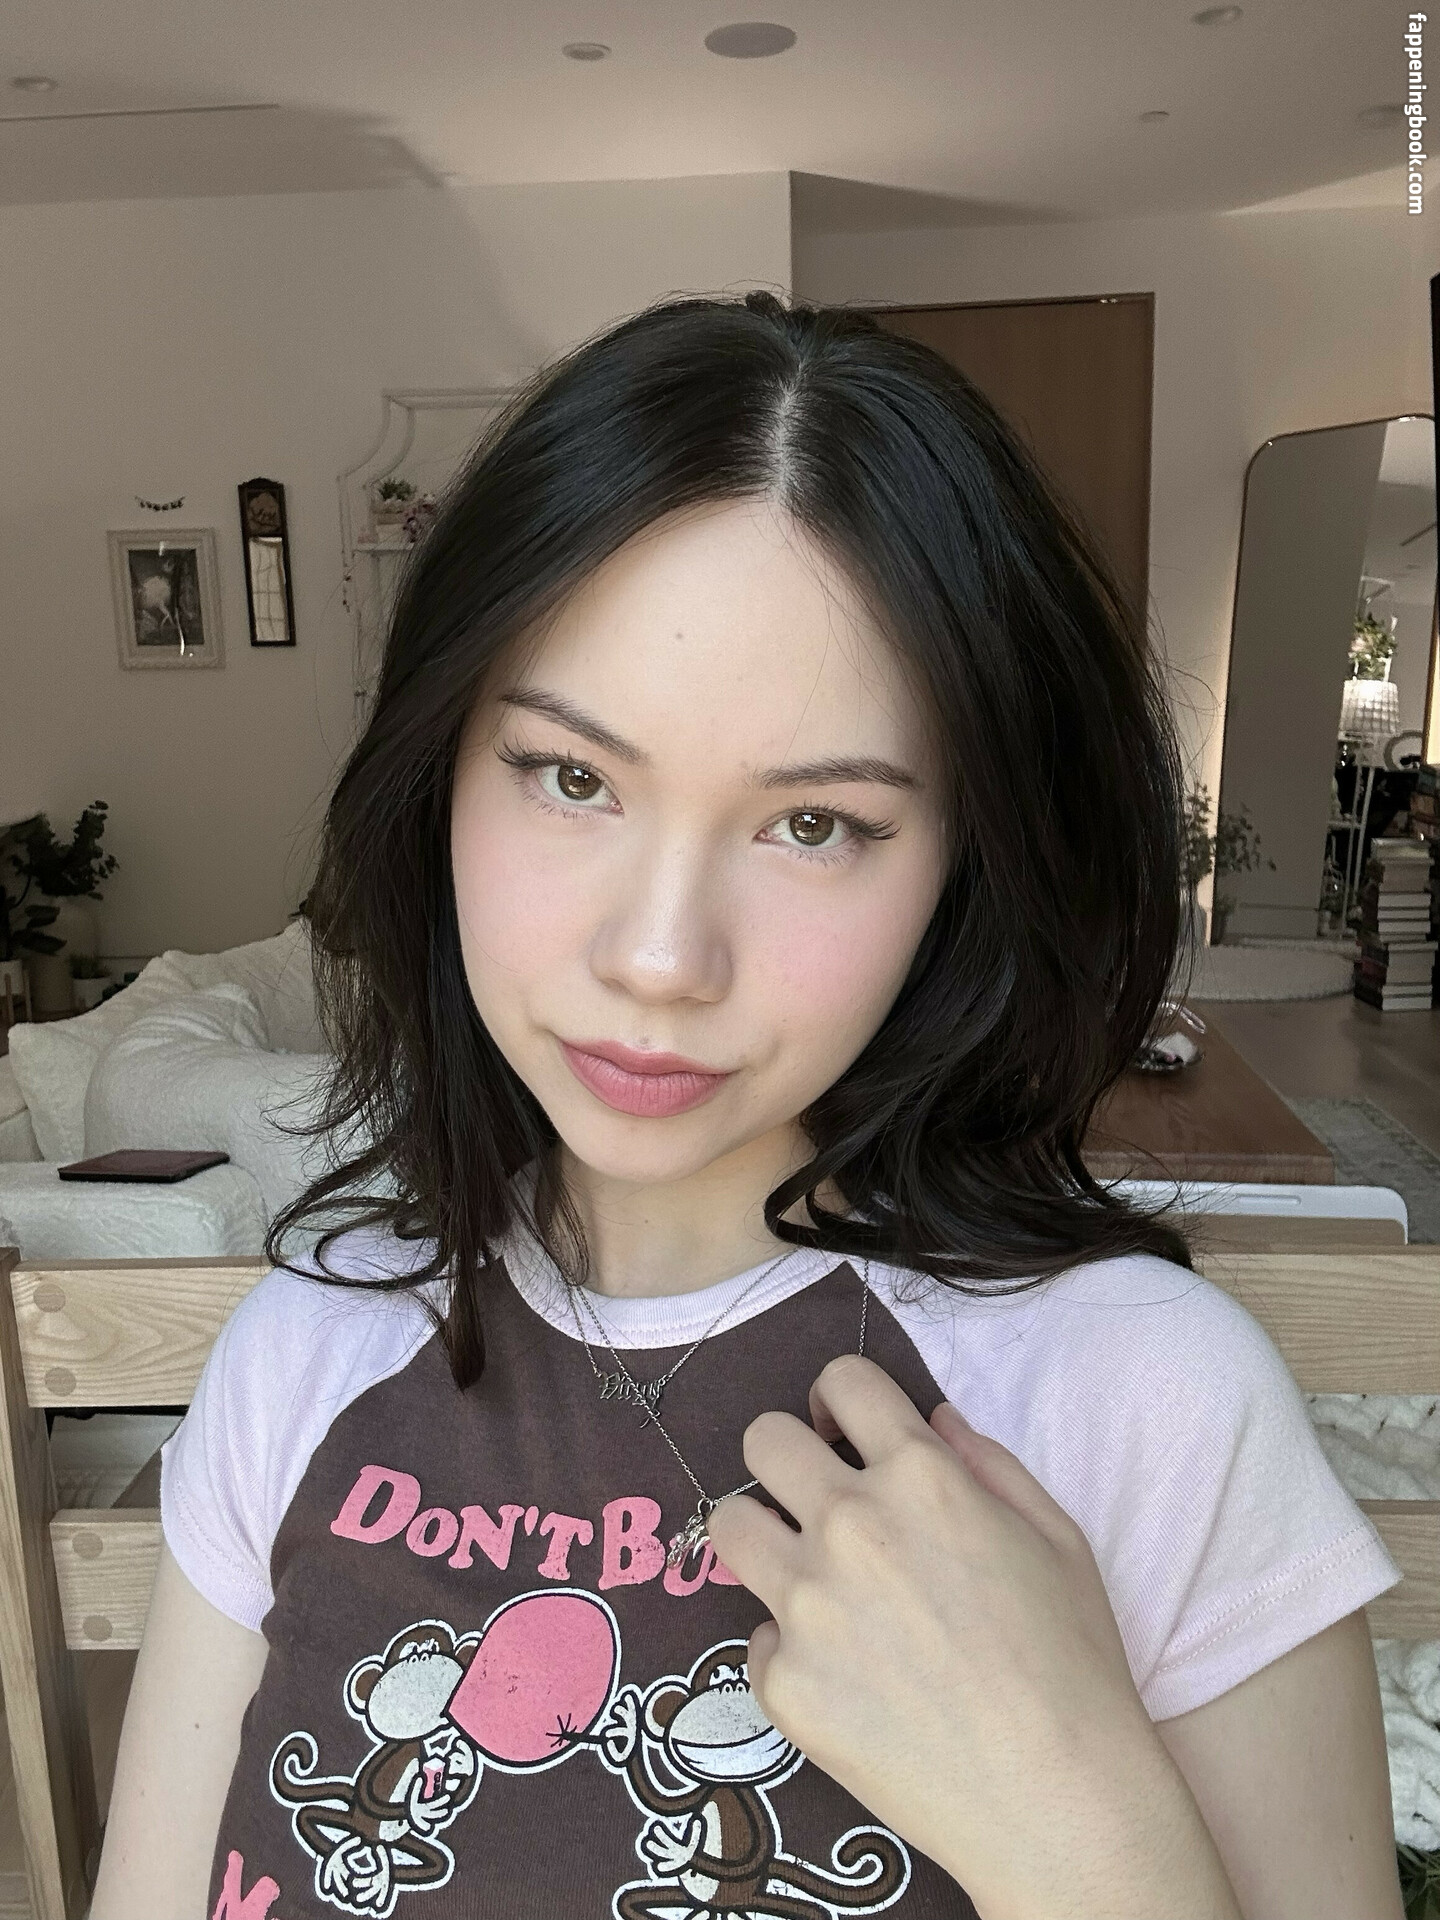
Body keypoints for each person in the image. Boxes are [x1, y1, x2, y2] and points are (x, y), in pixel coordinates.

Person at [93, 293, 1405, 1920]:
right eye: (572, 778)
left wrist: (1078, 1821)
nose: (660, 959)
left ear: (967, 861)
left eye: (816, 825)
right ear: (439, 775)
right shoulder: (308, 1349)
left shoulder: (1140, 1404)